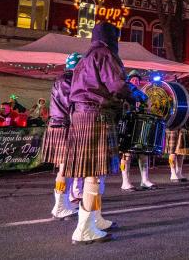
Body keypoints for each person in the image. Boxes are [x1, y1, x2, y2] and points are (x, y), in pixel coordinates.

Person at [64, 22, 137, 244]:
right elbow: (116, 85)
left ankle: (95, 218)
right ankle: (84, 229)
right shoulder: (105, 54)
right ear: (110, 38)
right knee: (94, 173)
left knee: (92, 172)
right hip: (97, 115)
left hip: (80, 116)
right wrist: (137, 96)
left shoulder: (85, 59)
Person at [39, 52, 82, 220]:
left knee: (66, 167)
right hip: (63, 126)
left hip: (61, 125)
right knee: (65, 168)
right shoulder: (67, 80)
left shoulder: (65, 78)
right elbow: (70, 103)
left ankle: (63, 203)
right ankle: (59, 206)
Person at [120, 70, 156, 191]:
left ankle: (144, 180)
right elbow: (142, 98)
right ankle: (125, 182)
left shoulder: (139, 93)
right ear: (129, 80)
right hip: (127, 124)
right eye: (133, 79)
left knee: (143, 153)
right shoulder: (127, 90)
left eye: (137, 80)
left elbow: (147, 103)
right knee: (127, 154)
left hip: (138, 124)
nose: (135, 81)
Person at [167, 105, 189, 182]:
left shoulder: (188, 101)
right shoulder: (173, 96)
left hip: (183, 128)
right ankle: (173, 173)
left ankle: (178, 172)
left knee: (181, 152)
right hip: (172, 127)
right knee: (172, 151)